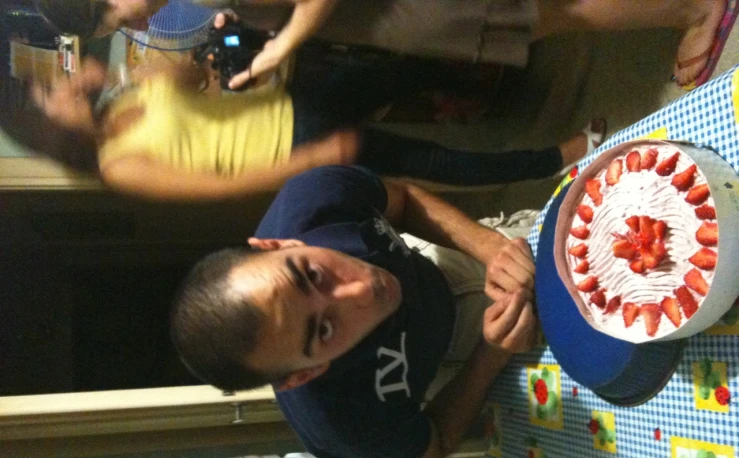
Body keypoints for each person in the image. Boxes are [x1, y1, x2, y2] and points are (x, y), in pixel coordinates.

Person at [170, 164, 538, 458]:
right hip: (456, 360)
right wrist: (490, 356)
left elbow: (404, 200)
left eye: (311, 275)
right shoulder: (337, 428)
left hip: (436, 260)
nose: (363, 291)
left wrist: (489, 246)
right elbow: (435, 441)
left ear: (278, 244)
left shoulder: (310, 200)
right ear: (305, 374)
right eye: (325, 329)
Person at [4, 55, 600, 201]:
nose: (57, 89)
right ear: (48, 130)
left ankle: (505, 54)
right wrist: (307, 163)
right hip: (296, 146)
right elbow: (223, 187)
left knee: (408, 61)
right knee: (432, 161)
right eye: (48, 97)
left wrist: (154, 72)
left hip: (295, 100)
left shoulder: (115, 103)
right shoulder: (119, 166)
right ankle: (556, 158)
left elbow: (198, 78)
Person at [35, 0, 728, 90]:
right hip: (383, 18)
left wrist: (283, 47)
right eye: (115, 31)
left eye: (113, 15)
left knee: (548, 11)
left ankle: (694, 10)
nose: (131, 26)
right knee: (538, 16)